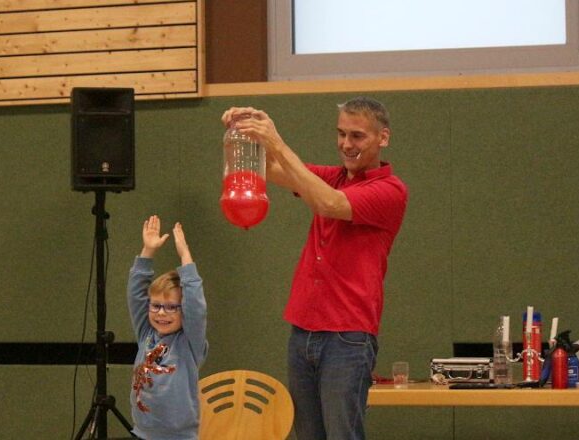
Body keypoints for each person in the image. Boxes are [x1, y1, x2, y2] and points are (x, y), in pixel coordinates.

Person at [221, 97, 407, 440]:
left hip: (348, 336)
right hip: (303, 330)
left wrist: (275, 140)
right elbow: (266, 171)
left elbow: (328, 203)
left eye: (357, 136)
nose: (345, 144)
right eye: (341, 134)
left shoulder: (390, 190)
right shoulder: (332, 177)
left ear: (383, 138)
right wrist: (244, 131)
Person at [127, 215, 208, 440]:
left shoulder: (190, 343)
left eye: (172, 307)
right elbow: (136, 293)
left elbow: (196, 307)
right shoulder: (146, 334)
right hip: (143, 432)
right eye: (156, 306)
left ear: (183, 310)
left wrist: (185, 257)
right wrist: (147, 251)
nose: (162, 313)